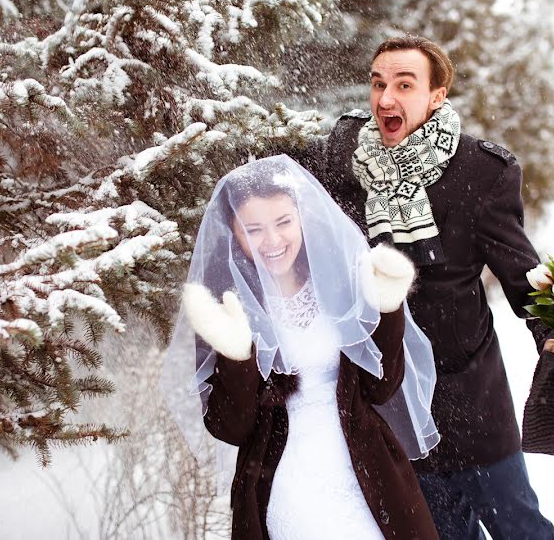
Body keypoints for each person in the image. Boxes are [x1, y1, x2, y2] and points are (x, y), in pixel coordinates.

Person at [293, 35, 554, 540]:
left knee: (520, 528)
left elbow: (521, 272)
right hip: (394, 400)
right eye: (378, 83)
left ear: (436, 95)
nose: (386, 98)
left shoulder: (481, 170)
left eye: (404, 85)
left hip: (473, 397)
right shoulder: (345, 158)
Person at [160, 155, 441, 540]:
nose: (273, 241)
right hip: (286, 477)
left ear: (301, 217)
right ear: (233, 231)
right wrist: (235, 354)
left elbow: (381, 385)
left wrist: (387, 308)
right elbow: (231, 427)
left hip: (367, 466)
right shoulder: (225, 306)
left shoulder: (339, 278)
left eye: (283, 222)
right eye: (254, 229)